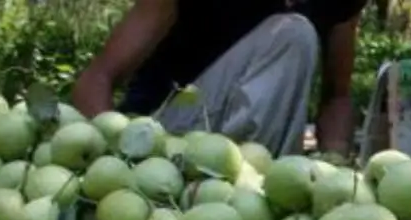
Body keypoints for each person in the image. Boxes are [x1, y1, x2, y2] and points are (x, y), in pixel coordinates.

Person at [72, 0, 369, 158]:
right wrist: (114, 163)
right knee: (293, 34)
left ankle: (251, 197)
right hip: (164, 138)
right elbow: (97, 79)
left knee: (294, 33)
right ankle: (243, 194)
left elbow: (337, 97)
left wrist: (337, 167)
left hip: (237, 159)